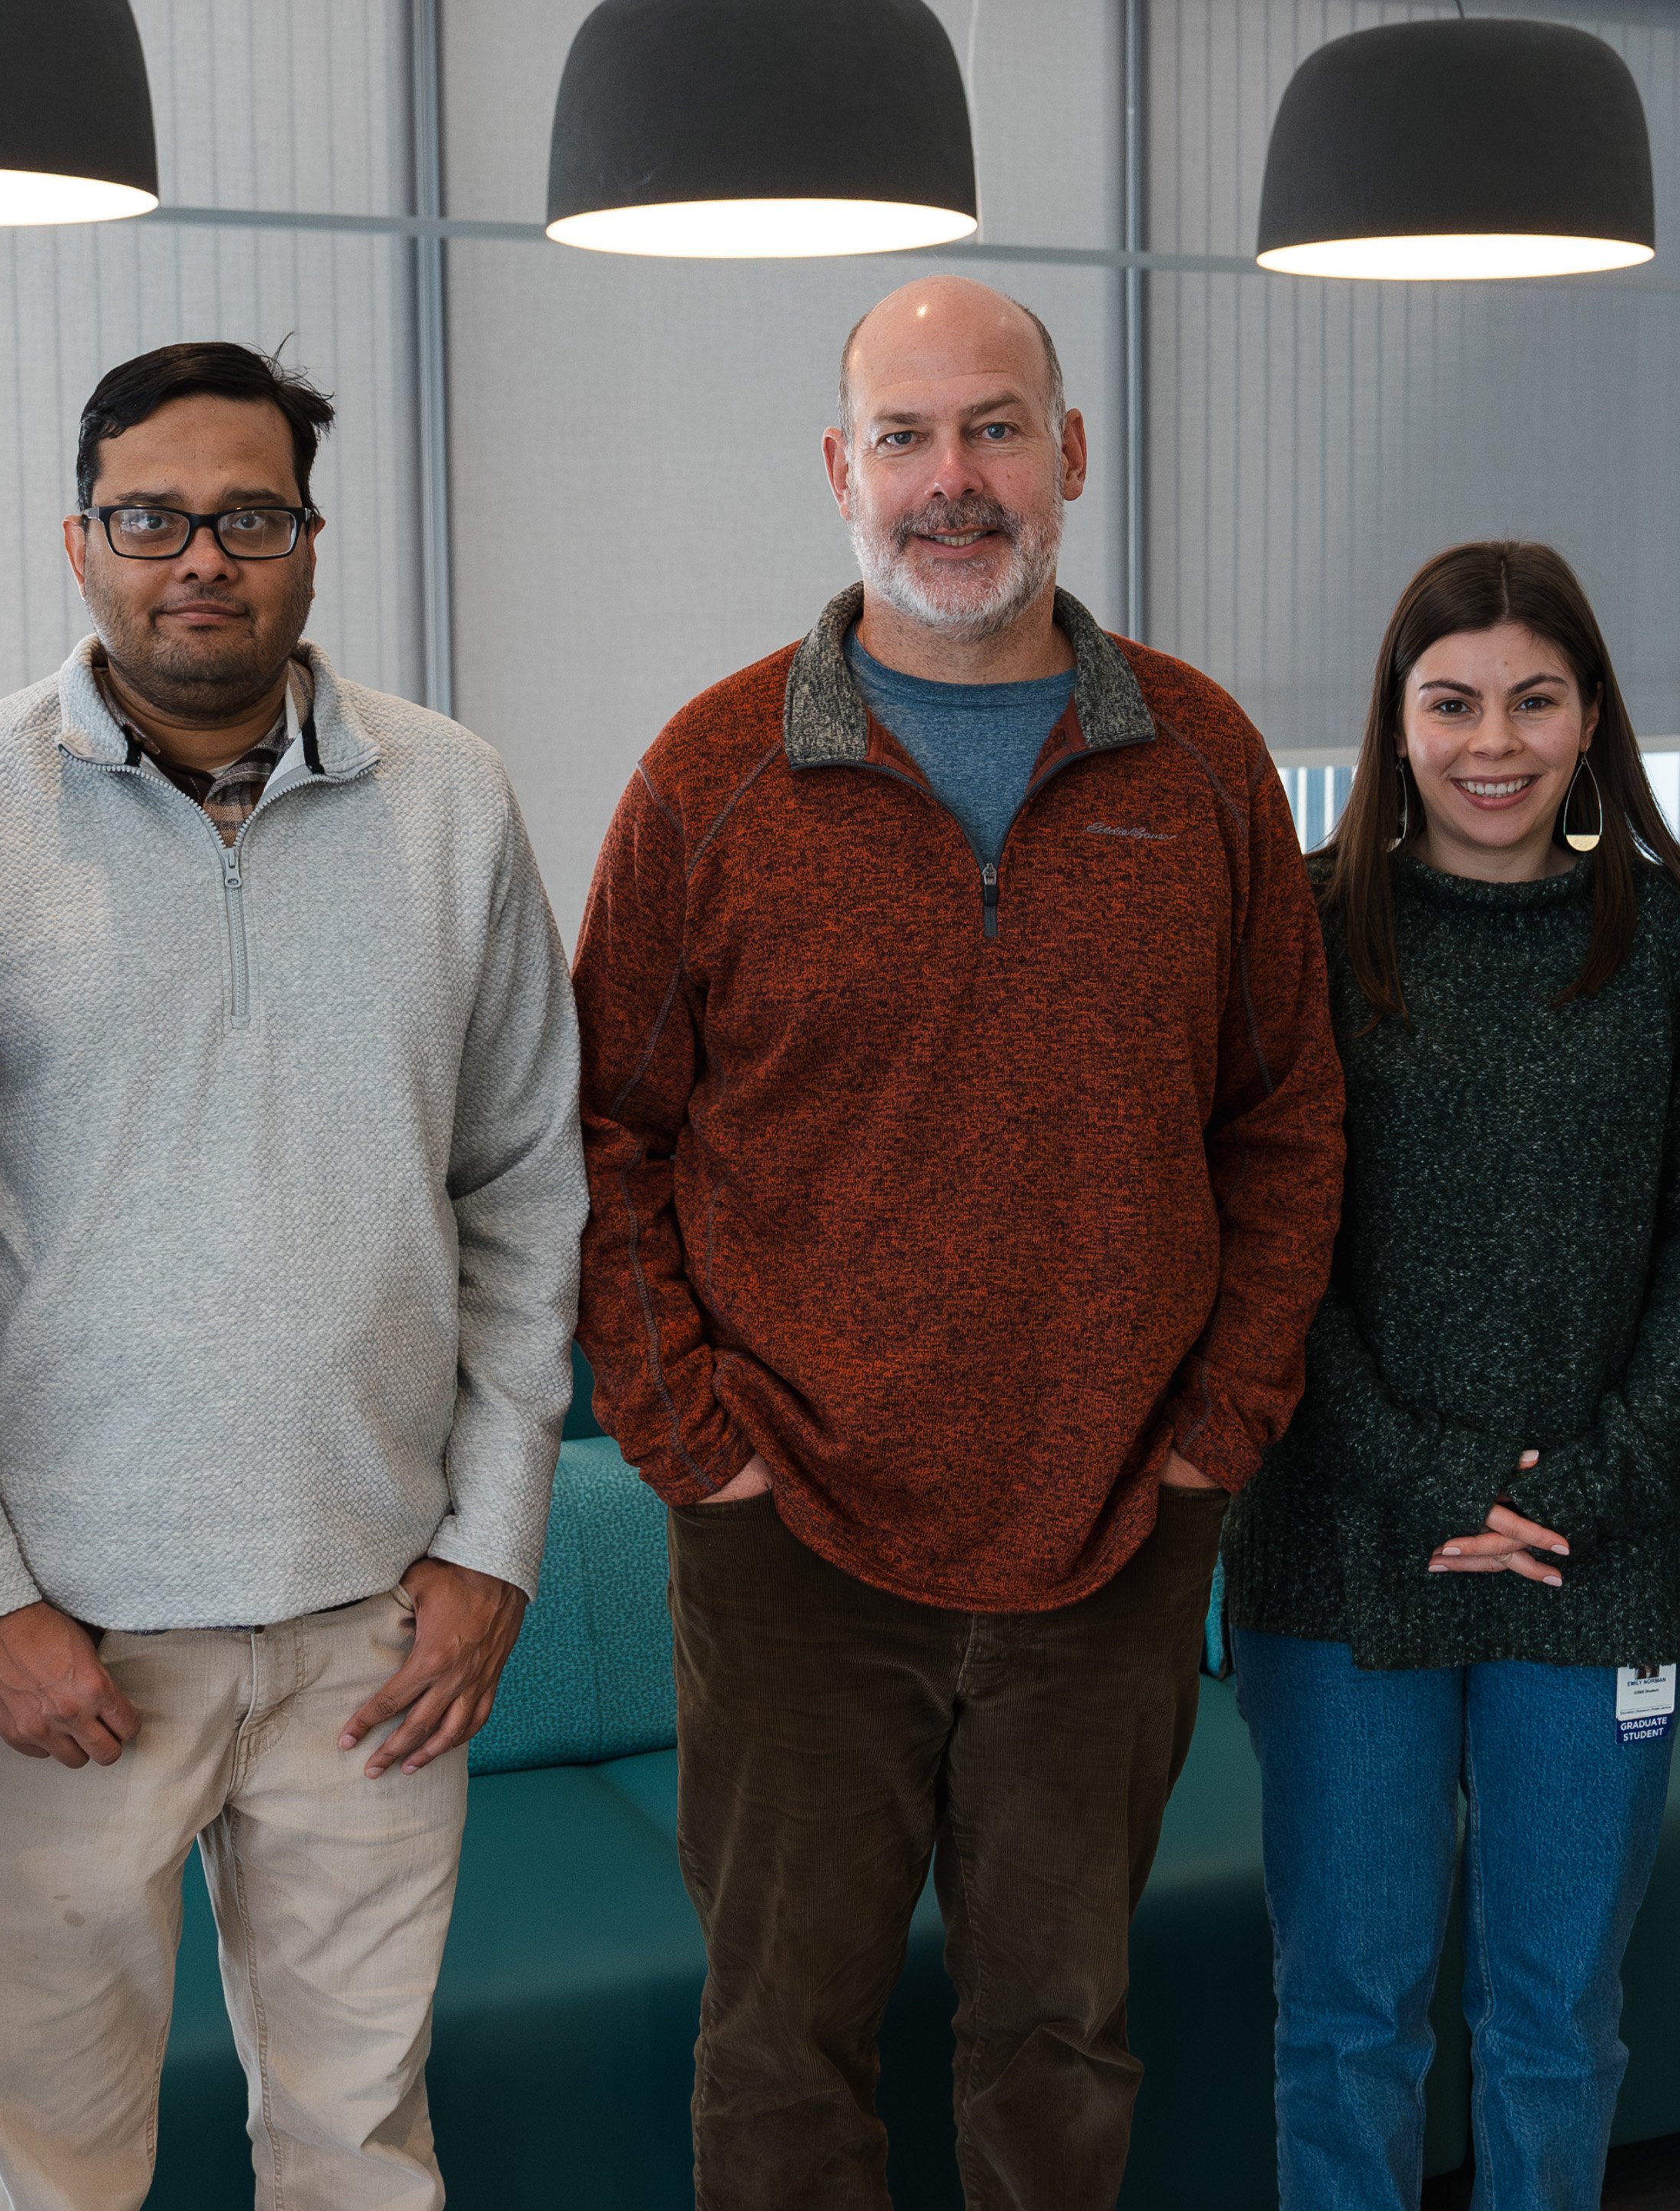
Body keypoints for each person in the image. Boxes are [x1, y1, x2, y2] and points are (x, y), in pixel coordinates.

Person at [573, 275, 1345, 2211]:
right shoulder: (711, 774)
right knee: (780, 2049)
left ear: (1068, 453)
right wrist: (695, 1443)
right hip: (790, 1542)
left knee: (1059, 2039)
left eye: (995, 427)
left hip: (1116, 1531)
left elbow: (1286, 1118)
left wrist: (1218, 1430)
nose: (953, 480)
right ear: (839, 471)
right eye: (905, 437)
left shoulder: (1204, 759)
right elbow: (602, 1130)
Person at [0, 340, 584, 2211]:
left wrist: (492, 1546)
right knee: (62, 2169)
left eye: (251, 517)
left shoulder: (455, 803)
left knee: (360, 2152)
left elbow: (526, 1190)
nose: (203, 558)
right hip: (69, 1644)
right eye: (152, 518)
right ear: (78, 541)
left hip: (375, 1637)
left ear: (311, 543)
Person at [1221, 543, 1680, 2210]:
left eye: (1535, 699)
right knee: (1347, 2016)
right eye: (1451, 702)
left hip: (1603, 1555)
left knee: (1555, 2023)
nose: (1494, 742)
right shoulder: (1303, 928)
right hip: (1345, 1542)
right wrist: (1429, 1475)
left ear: (1593, 714)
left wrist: (1586, 1484)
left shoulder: (1670, 946)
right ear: (1396, 719)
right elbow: (1264, 1242)